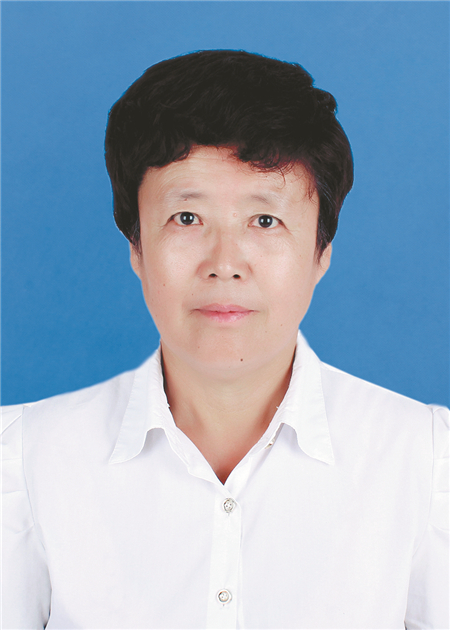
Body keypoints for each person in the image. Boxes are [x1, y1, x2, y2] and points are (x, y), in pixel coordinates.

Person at [2, 50, 448, 629]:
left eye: (265, 221)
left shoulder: (426, 461)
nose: (225, 263)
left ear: (321, 252)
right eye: (187, 219)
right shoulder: (23, 460)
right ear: (136, 247)